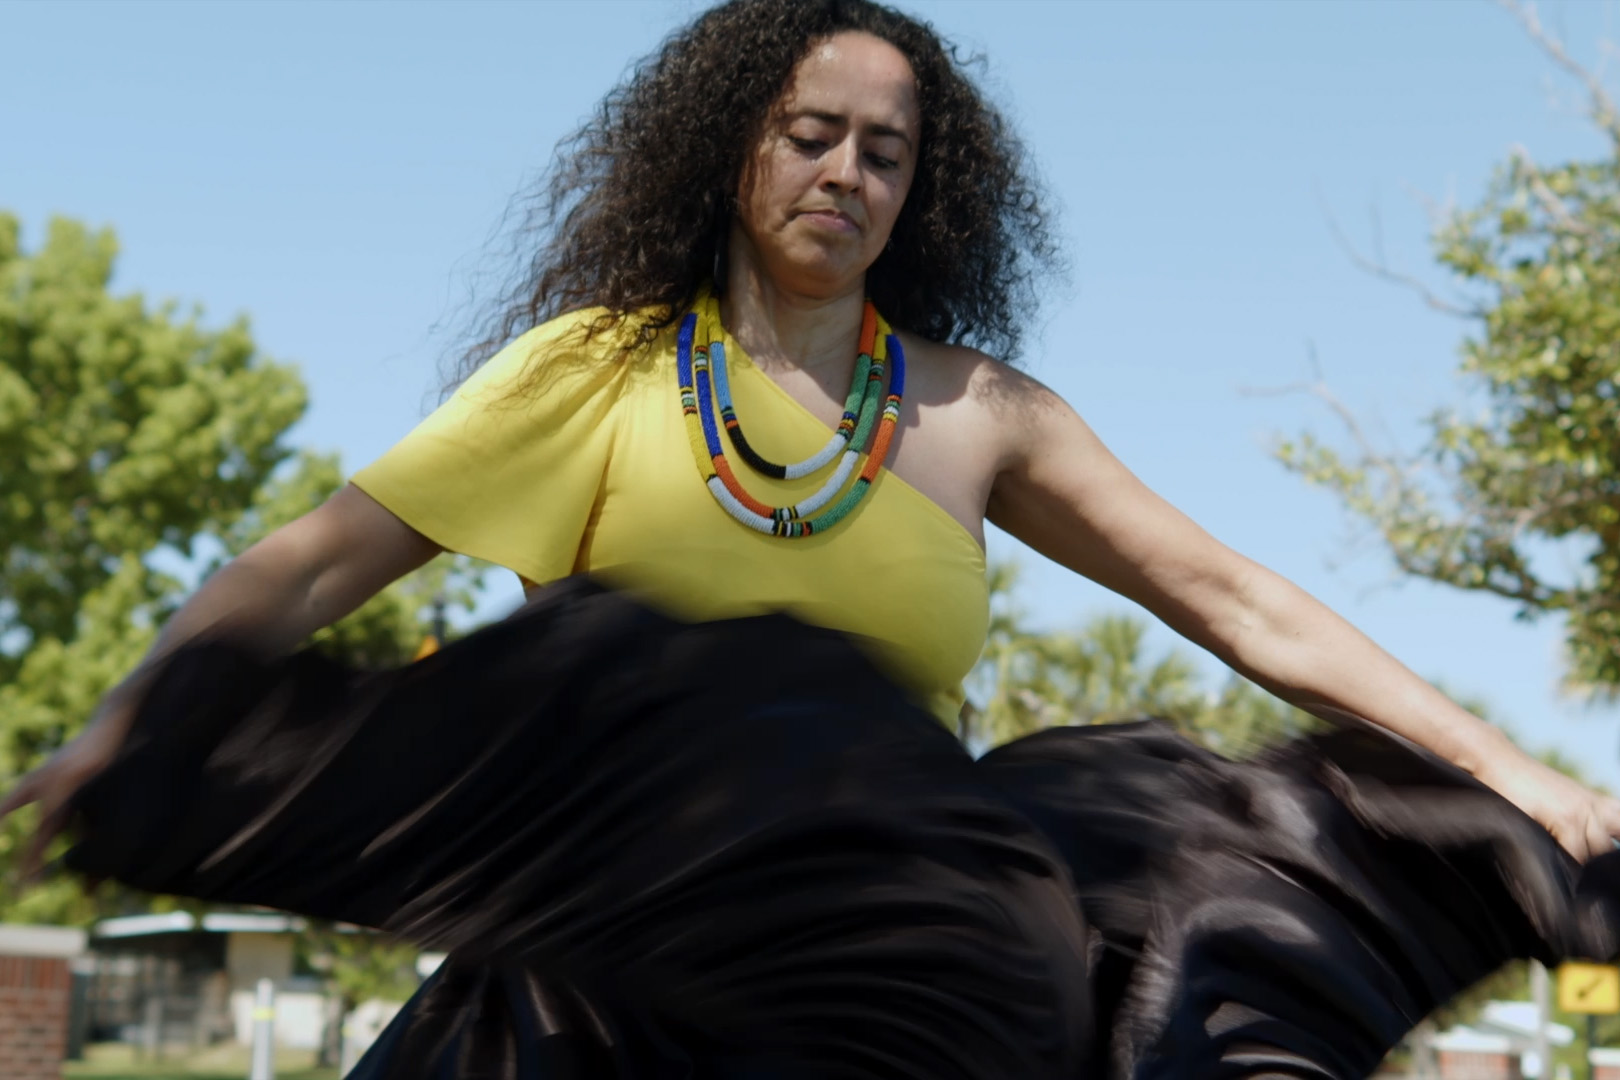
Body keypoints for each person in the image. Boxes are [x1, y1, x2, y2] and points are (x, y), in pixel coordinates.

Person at [7, 1, 1620, 1076]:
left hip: (882, 983)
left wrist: (1508, 770)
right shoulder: (596, 371)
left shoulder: (984, 414)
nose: (845, 170)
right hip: (601, 984)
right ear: (733, 144)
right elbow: (306, 562)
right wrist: (141, 713)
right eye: (809, 132)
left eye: (885, 150)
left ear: (927, 192)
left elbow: (1231, 600)